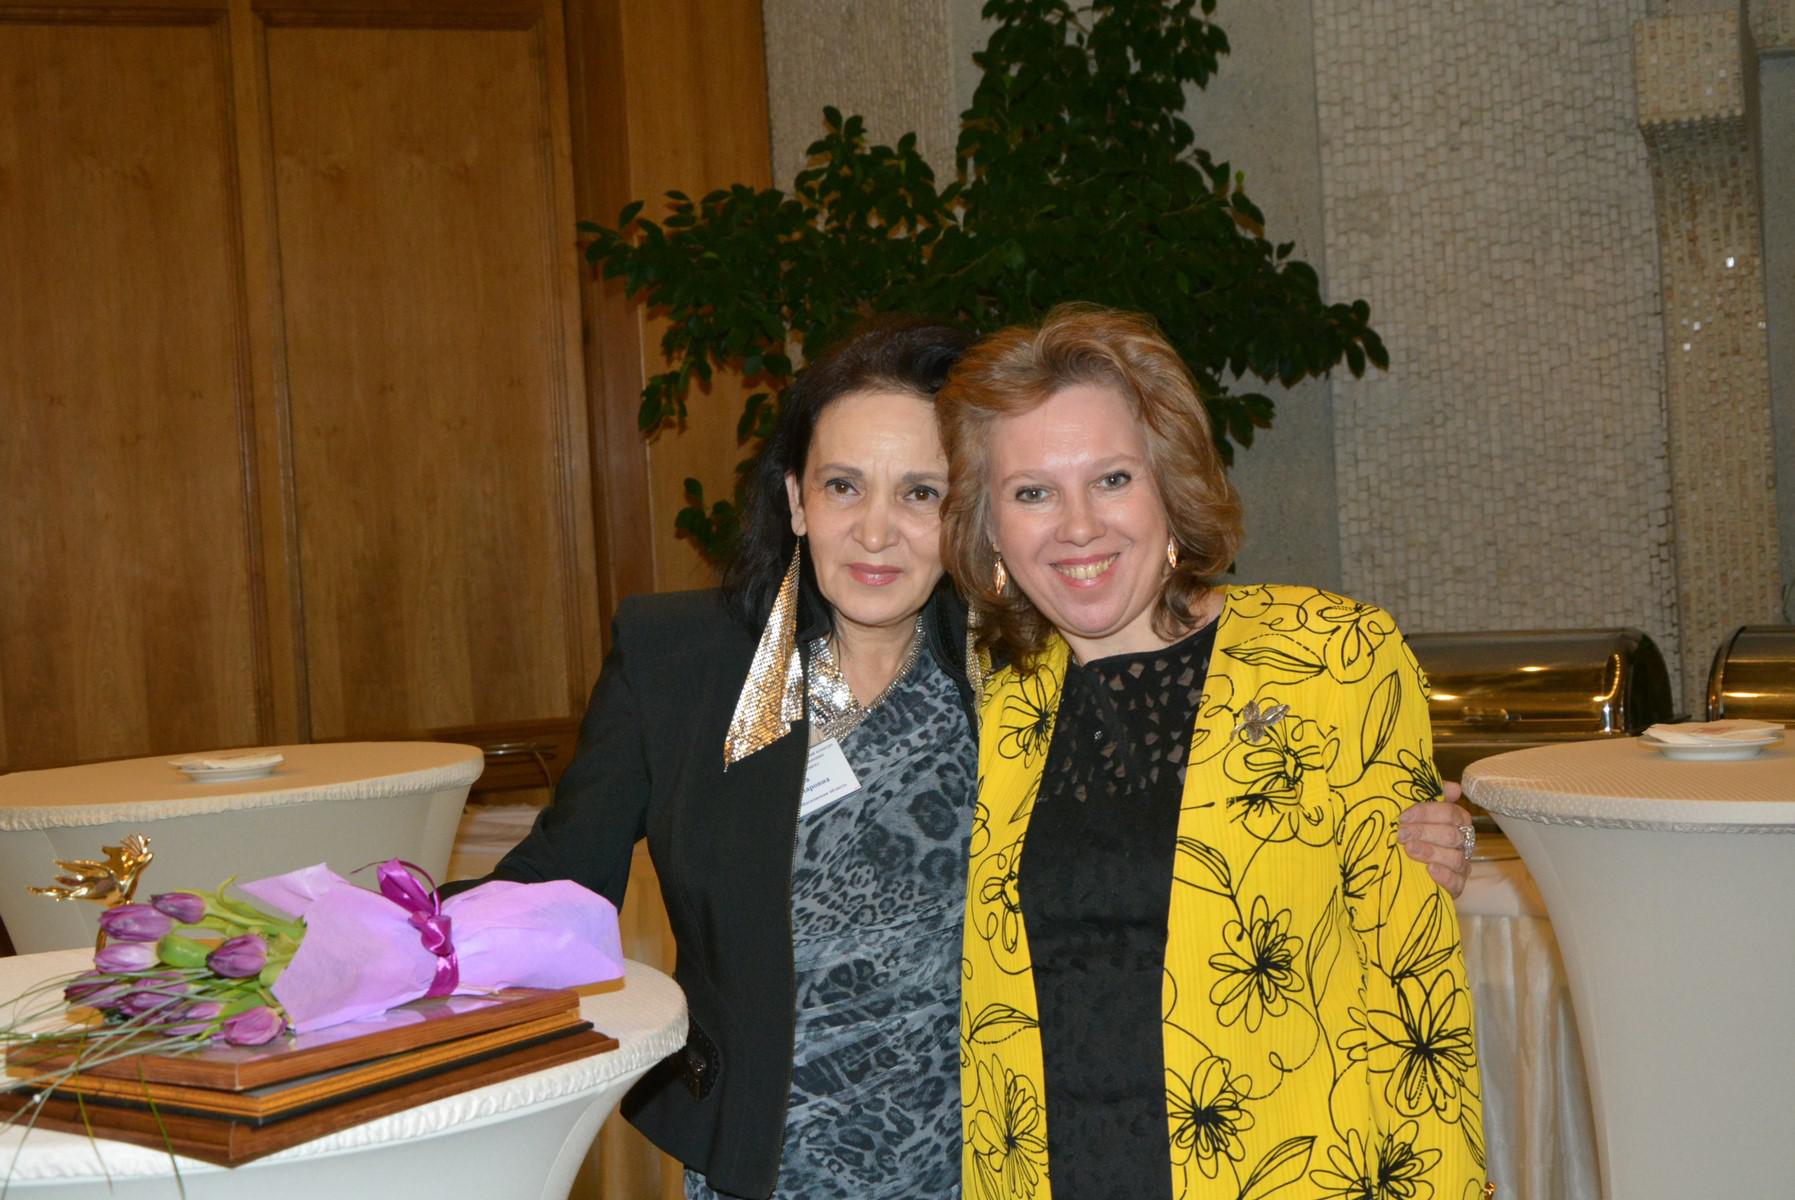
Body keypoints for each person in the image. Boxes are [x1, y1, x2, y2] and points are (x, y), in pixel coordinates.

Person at [465, 317, 1479, 1200]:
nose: (875, 531)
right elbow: (551, 888)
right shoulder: (690, 667)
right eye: (843, 486)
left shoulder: (1003, 664)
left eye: (920, 492)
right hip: (771, 1169)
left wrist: (1403, 824)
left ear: (962, 519)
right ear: (797, 497)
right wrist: (388, 946)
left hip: (983, 1163)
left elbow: (1203, 792)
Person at [938, 305, 1488, 1200]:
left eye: (1112, 479)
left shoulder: (1329, 655)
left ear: (1169, 485)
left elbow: (1414, 995)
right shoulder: (994, 708)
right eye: (1032, 492)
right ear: (990, 528)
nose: (1077, 526)